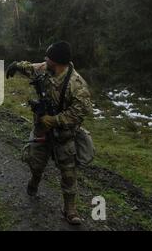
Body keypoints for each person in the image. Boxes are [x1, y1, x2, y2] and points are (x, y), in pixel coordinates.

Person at [6, 41, 92, 225]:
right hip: (42, 130)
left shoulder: (77, 85)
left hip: (64, 135)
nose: (45, 60)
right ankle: (35, 179)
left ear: (58, 62)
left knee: (68, 173)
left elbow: (80, 112)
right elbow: (33, 67)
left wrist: (54, 120)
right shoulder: (47, 69)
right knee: (36, 162)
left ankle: (70, 208)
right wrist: (16, 66)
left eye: (49, 58)